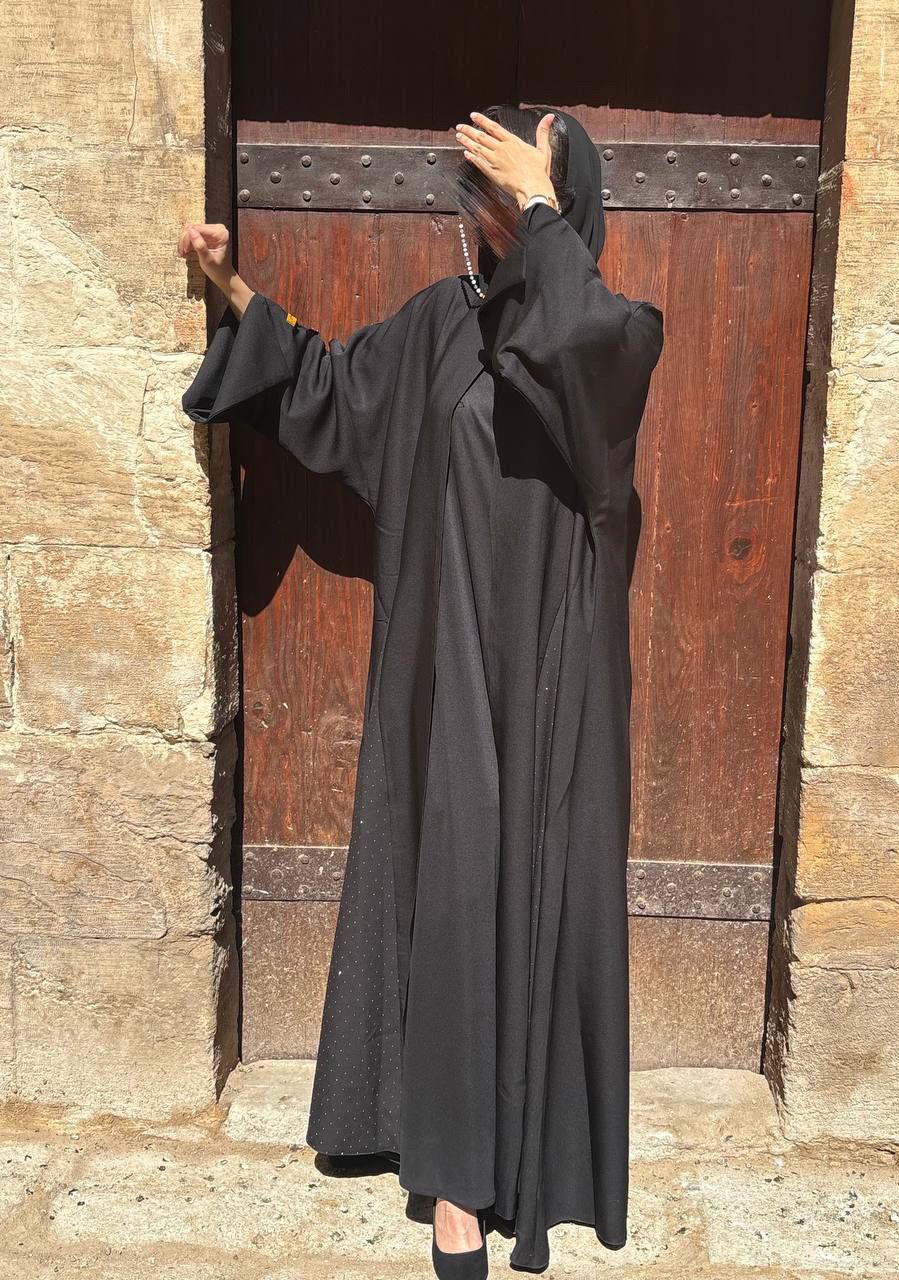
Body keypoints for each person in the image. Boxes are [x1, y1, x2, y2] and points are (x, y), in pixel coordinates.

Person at [178, 105, 664, 1278]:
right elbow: (333, 387)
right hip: (448, 676)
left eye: (518, 186)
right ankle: (452, 1180)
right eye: (485, 187)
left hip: (552, 688)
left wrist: (543, 209)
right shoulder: (440, 325)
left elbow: (577, 349)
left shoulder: (616, 334)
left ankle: (531, 1162)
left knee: (540, 891)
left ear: (565, 202)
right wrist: (232, 290)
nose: (489, 206)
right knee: (451, 889)